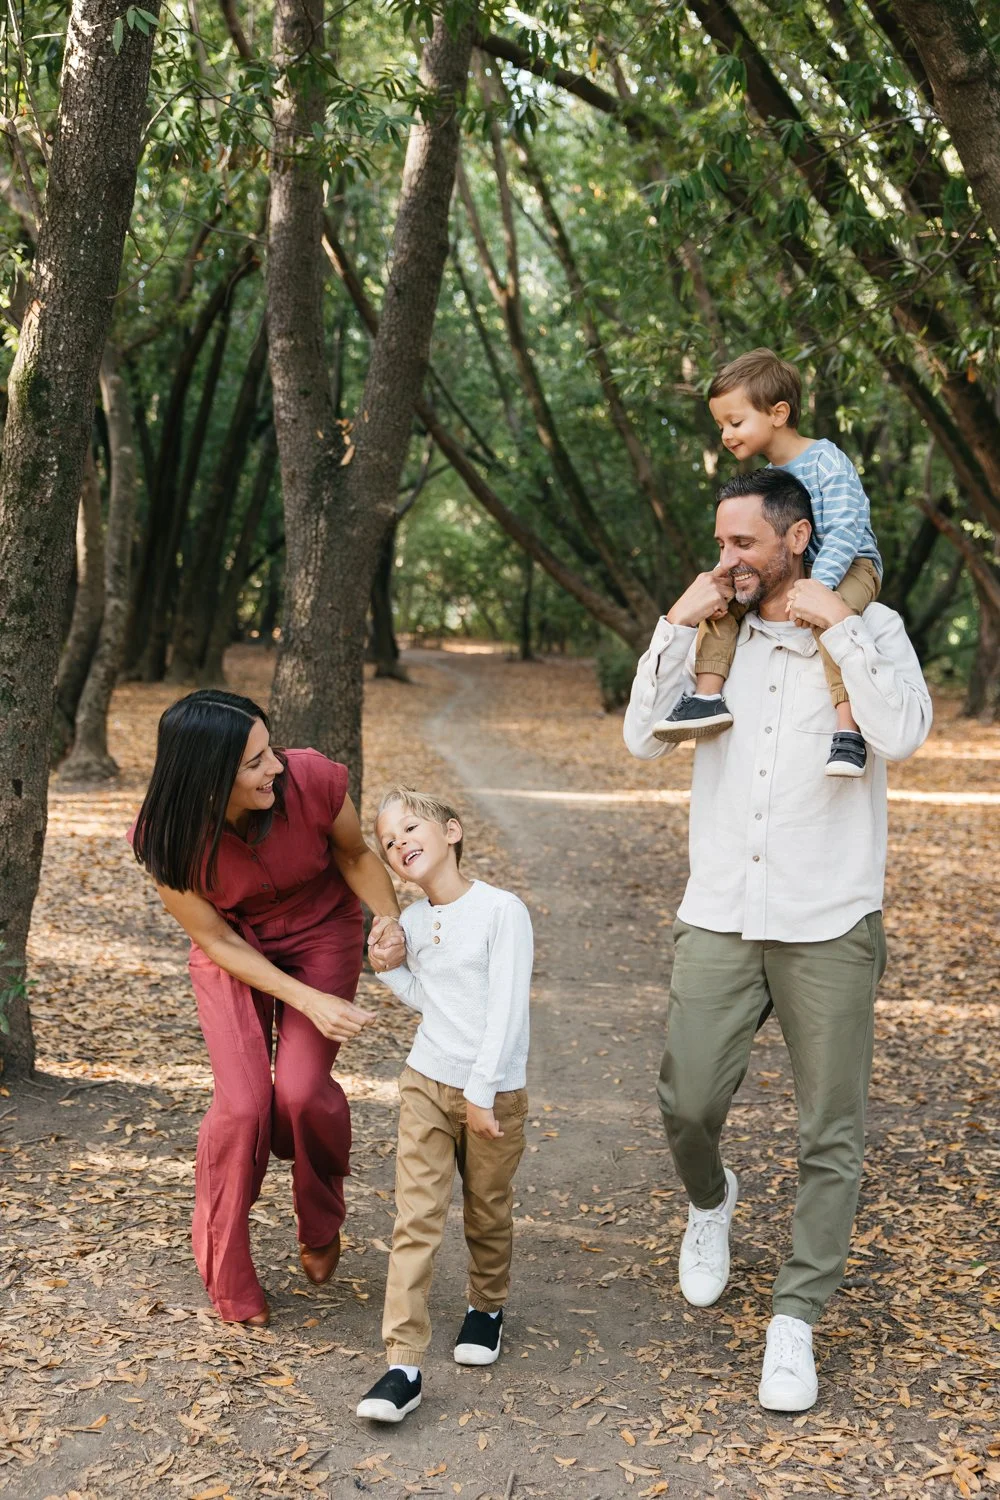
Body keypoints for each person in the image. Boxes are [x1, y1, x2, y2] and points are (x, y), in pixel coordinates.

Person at [624, 469, 931, 1412]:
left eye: (744, 545)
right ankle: (712, 1202)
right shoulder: (715, 637)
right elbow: (642, 738)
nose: (728, 561)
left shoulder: (871, 630)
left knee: (828, 1133)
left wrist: (839, 622)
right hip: (719, 910)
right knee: (687, 1099)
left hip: (829, 919)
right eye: (720, 544)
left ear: (797, 538)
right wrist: (678, 618)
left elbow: (906, 732)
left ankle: (794, 1318)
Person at [129, 689, 405, 1327]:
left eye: (270, 749)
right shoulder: (163, 834)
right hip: (234, 946)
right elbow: (216, 940)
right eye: (255, 763)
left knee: (303, 1094)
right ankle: (228, 1267)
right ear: (208, 777)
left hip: (320, 927)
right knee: (245, 1106)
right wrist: (305, 999)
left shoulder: (310, 778)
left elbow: (356, 854)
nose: (274, 768)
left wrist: (389, 919)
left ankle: (319, 1218)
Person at [356, 786, 532, 1424]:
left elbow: (507, 1011)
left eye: (410, 828)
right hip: (426, 1081)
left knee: (486, 1210)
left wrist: (482, 1092)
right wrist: (385, 970)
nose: (399, 843)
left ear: (451, 831)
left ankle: (486, 1307)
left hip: (494, 1091)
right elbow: (431, 1000)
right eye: (389, 841)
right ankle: (403, 1362)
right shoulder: (407, 923)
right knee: (415, 1217)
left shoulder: (501, 911)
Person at [654, 347, 883, 778]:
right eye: (721, 424)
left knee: (835, 624)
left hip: (852, 565)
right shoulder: (768, 479)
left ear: (778, 413)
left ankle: (848, 730)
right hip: (798, 575)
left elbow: (846, 532)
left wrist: (820, 590)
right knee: (720, 605)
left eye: (735, 422)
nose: (725, 434)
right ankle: (707, 697)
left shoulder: (826, 461)